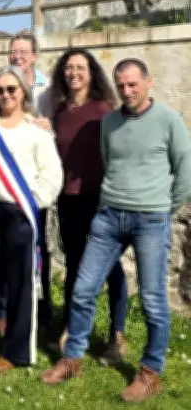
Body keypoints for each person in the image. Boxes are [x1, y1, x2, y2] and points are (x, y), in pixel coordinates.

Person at [41, 58, 191, 403]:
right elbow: (109, 161)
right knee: (82, 290)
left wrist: (164, 208)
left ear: (148, 82)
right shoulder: (110, 122)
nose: (127, 91)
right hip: (108, 217)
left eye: (133, 84)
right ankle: (72, 358)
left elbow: (184, 169)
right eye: (121, 85)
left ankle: (150, 372)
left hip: (151, 220)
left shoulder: (168, 120)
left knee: (153, 301)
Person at [0, 66, 63, 373]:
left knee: (20, 281)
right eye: (0, 90)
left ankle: (16, 350)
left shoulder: (37, 131)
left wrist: (35, 201)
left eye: (12, 89)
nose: (5, 95)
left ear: (23, 93)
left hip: (21, 212)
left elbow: (52, 174)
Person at [47, 48, 127, 362]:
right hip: (68, 199)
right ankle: (70, 327)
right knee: (74, 266)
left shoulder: (105, 110)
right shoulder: (59, 113)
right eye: (69, 68)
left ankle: (116, 336)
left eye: (81, 67)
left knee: (111, 267)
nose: (74, 73)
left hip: (100, 199)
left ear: (91, 72)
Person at [4, 30, 54, 333]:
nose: (18, 56)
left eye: (24, 51)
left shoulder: (47, 88)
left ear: (34, 55)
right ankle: (8, 308)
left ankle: (40, 309)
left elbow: (55, 127)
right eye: (14, 51)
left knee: (37, 245)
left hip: (35, 181)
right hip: (8, 180)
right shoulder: (2, 81)